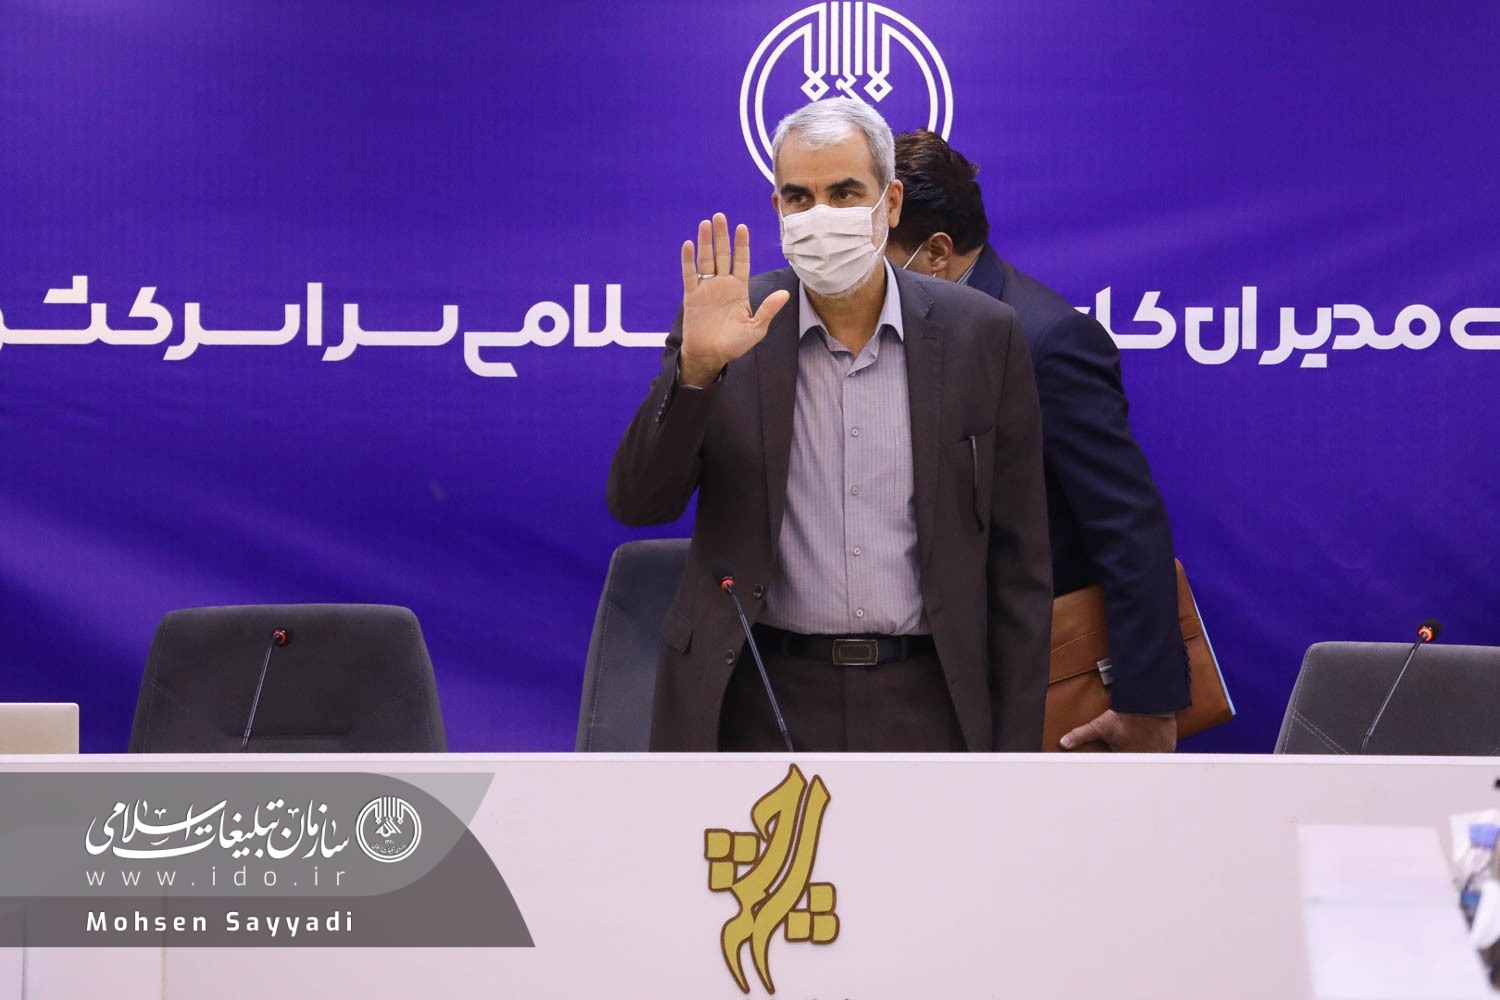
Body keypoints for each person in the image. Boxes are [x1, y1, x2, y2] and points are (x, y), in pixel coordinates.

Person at [607, 99, 1052, 752]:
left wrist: (1015, 759)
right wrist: (698, 374)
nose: (821, 216)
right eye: (799, 197)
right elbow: (639, 503)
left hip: (929, 699)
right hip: (758, 697)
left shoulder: (980, 335)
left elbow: (1020, 566)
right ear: (778, 209)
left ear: (890, 204)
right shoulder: (730, 324)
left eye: (845, 193)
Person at [887, 129, 1188, 752]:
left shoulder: (1044, 340)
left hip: (1021, 688)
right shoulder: (893, 331)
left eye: (872, 249)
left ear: (935, 252)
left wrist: (1146, 701)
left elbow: (1126, 523)